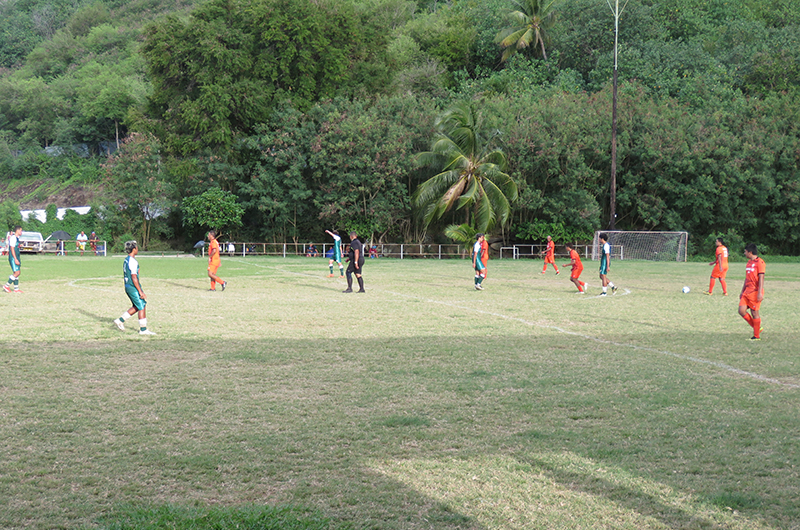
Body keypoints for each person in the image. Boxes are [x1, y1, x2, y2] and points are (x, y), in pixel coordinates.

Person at [113, 240, 155, 335]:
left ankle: (120, 320)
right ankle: (143, 329)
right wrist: (140, 291)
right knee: (142, 305)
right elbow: (134, 277)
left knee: (137, 306)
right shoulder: (132, 261)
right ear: (134, 249)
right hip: (132, 287)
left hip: (128, 286)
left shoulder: (127, 259)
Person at [738, 243, 765, 341]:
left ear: (750, 252)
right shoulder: (749, 263)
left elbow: (761, 277)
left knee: (754, 313)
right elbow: (747, 278)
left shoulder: (760, 262)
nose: (744, 253)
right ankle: (757, 328)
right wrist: (742, 290)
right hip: (746, 291)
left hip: (755, 291)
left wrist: (760, 292)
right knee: (741, 311)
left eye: (745, 251)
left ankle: (756, 336)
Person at [4, 225, 23, 293]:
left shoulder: (17, 238)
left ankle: (16, 288)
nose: (21, 232)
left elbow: (15, 246)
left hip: (17, 256)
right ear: (17, 230)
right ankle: (6, 285)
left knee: (17, 272)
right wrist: (15, 258)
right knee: (17, 273)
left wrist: (19, 246)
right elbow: (12, 248)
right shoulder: (13, 237)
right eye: (21, 230)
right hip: (13, 257)